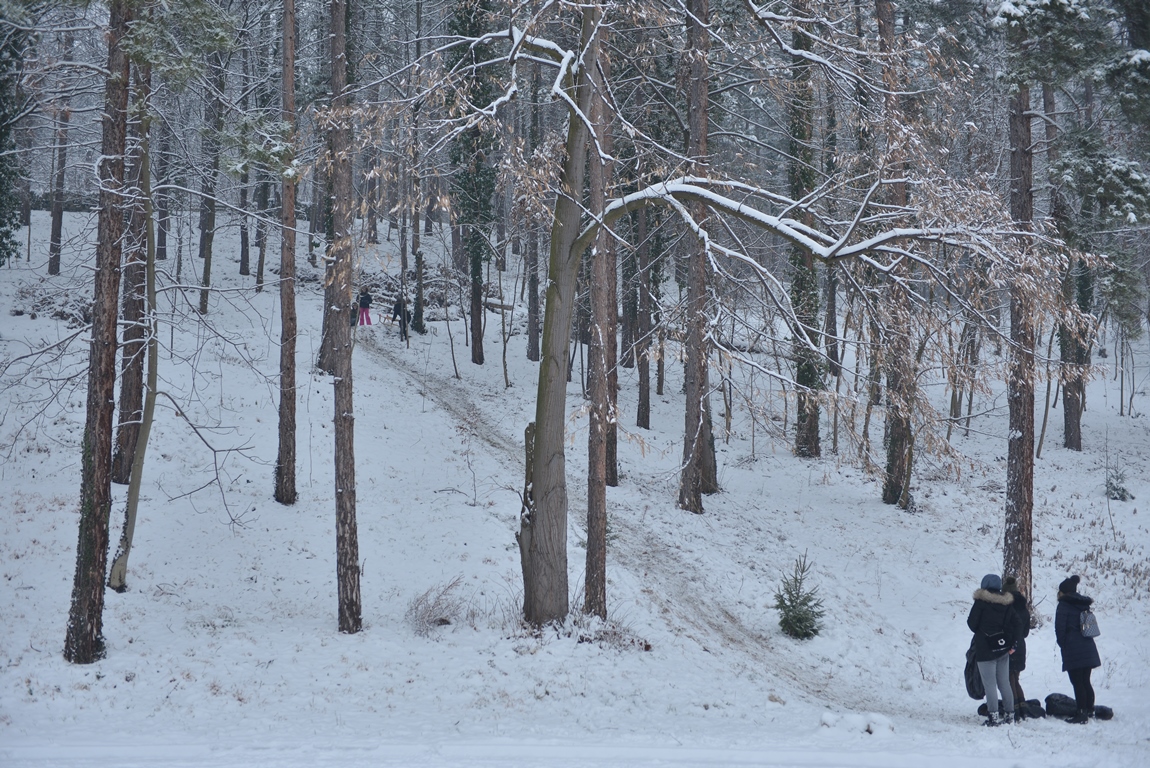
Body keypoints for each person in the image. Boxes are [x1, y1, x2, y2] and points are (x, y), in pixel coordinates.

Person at [967, 573, 1017, 726]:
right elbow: (1014, 623)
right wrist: (1012, 643)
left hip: (985, 648)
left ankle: (993, 717)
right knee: (1004, 683)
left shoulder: (981, 603)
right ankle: (1010, 716)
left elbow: (972, 624)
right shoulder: (1006, 603)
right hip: (1003, 648)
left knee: (989, 684)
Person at [1055, 574, 1101, 724]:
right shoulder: (1083, 604)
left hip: (1073, 647)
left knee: (1077, 682)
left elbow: (1060, 628)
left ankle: (1081, 713)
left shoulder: (1063, 605)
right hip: (1087, 645)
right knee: (1086, 680)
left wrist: (1064, 644)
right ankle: (1089, 710)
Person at [1002, 575, 1031, 719]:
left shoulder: (1006, 607)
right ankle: (1023, 708)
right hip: (1021, 646)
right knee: (1015, 679)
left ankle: (1014, 710)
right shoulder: (1024, 608)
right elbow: (1025, 632)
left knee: (1009, 680)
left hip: (1009, 646)